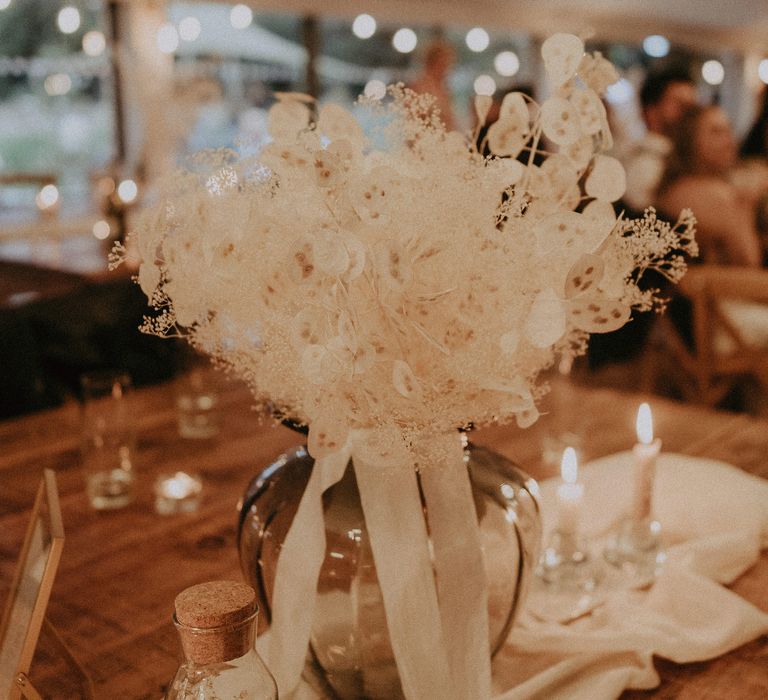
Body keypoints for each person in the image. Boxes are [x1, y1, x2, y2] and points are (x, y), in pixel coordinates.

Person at [656, 104, 762, 267]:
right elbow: (748, 259)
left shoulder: (674, 186)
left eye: (728, 131)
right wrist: (745, 203)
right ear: (689, 139)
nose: (729, 141)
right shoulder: (705, 193)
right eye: (716, 132)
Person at [621, 69, 697, 213]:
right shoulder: (645, 166)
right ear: (651, 111)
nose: (690, 115)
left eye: (692, 107)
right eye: (680, 105)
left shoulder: (685, 158)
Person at [410, 38, 456, 130]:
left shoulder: (444, 89)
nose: (447, 70)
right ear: (433, 63)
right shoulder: (418, 87)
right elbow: (412, 121)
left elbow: (450, 121)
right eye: (444, 64)